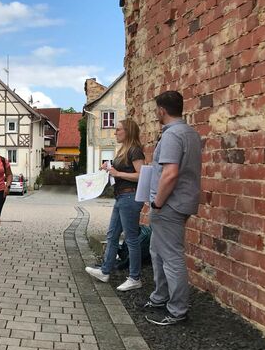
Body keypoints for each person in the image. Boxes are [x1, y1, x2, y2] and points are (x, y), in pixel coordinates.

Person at [145, 91, 202, 326]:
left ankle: (177, 310)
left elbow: (170, 173)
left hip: (169, 204)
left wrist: (157, 202)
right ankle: (160, 297)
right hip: (180, 201)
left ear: (162, 110)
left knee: (171, 256)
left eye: (156, 110)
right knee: (157, 251)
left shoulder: (172, 135)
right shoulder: (190, 133)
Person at [85, 119, 145, 291]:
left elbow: (141, 175)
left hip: (130, 197)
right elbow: (121, 171)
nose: (115, 132)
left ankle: (135, 278)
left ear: (128, 131)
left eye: (118, 129)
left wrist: (117, 172)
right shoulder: (123, 150)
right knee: (112, 235)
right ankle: (105, 271)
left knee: (131, 239)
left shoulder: (135, 150)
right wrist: (109, 167)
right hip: (121, 198)